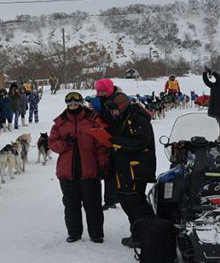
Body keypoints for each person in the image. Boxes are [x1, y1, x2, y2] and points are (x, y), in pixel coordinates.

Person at [48, 91, 110, 243]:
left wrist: (103, 165)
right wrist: (65, 143)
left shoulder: (93, 121)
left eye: (76, 104)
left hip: (89, 170)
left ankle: (96, 234)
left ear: (81, 104)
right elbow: (52, 145)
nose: (73, 107)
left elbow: (102, 146)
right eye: (70, 105)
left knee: (93, 204)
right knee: (71, 205)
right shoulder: (60, 123)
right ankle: (74, 233)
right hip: (67, 172)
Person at [104, 92, 156, 248]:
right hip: (124, 169)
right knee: (127, 202)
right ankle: (138, 234)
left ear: (121, 106)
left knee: (137, 204)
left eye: (114, 110)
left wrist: (115, 142)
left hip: (136, 169)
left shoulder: (138, 118)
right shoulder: (123, 119)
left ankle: (151, 235)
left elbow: (141, 142)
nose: (113, 114)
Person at [93, 78, 120, 211]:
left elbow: (115, 120)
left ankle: (111, 199)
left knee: (112, 170)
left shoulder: (117, 100)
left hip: (115, 139)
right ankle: (107, 198)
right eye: (99, 91)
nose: (101, 93)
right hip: (101, 138)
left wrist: (100, 111)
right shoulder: (98, 100)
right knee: (102, 169)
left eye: (103, 91)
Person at [202, 67, 220, 142]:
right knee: (219, 121)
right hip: (214, 105)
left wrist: (212, 72)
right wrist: (205, 73)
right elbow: (206, 82)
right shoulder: (215, 85)